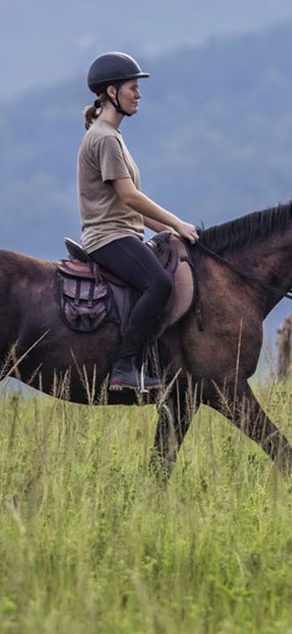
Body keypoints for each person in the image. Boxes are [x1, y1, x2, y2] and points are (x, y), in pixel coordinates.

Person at [78, 51, 199, 391]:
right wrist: (176, 219)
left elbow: (130, 207)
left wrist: (171, 231)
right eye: (133, 87)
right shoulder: (103, 138)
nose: (138, 94)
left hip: (123, 231)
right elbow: (129, 196)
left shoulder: (113, 137)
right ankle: (124, 366)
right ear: (112, 92)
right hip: (109, 237)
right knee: (159, 284)